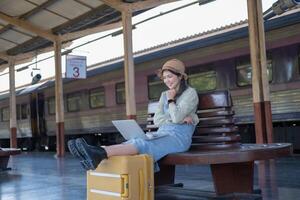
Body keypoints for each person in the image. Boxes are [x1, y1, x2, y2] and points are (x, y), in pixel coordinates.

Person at [68, 58, 199, 170]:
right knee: (134, 141)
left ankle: (98, 153)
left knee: (142, 144)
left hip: (178, 139)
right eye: (164, 78)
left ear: (180, 76)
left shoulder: (190, 93)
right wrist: (177, 118)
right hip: (163, 133)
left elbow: (176, 117)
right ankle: (94, 152)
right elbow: (158, 121)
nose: (166, 81)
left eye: (170, 76)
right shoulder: (163, 95)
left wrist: (171, 101)